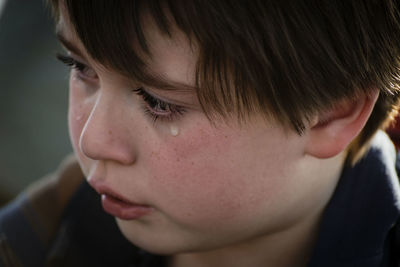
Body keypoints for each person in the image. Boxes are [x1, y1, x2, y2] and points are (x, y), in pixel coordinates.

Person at [1, 1, 400, 266]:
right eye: (80, 67)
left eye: (159, 102)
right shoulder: (42, 230)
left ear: (331, 113)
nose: (92, 141)